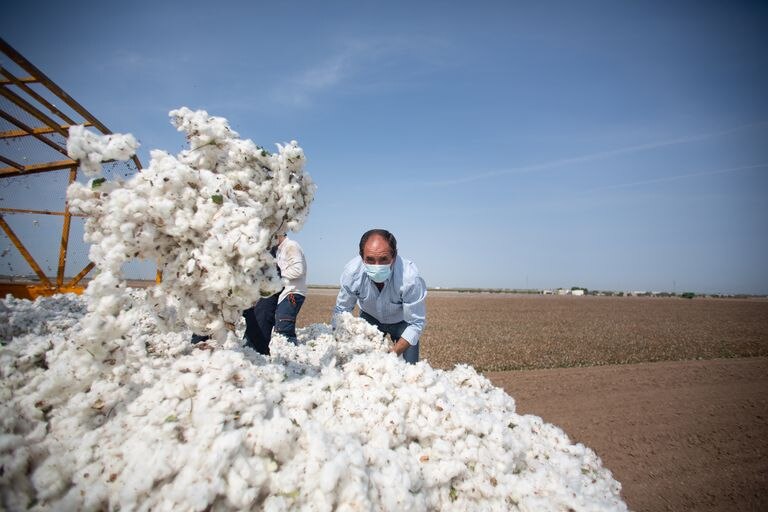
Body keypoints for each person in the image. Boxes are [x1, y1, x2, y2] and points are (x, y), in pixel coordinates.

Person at [195, 233, 307, 355]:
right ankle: (253, 349)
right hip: (281, 292)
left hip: (291, 293)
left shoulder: (291, 246)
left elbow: (298, 270)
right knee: (275, 322)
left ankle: (292, 355)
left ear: (279, 235)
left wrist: (273, 277)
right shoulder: (277, 250)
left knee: (284, 326)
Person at [333, 229, 426, 363]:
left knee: (410, 370)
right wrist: (340, 341)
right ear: (361, 256)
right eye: (370, 260)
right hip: (370, 319)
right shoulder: (352, 274)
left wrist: (393, 354)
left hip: (403, 323)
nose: (377, 266)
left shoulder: (409, 278)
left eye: (383, 259)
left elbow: (416, 323)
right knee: (364, 367)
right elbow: (342, 311)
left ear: (394, 256)